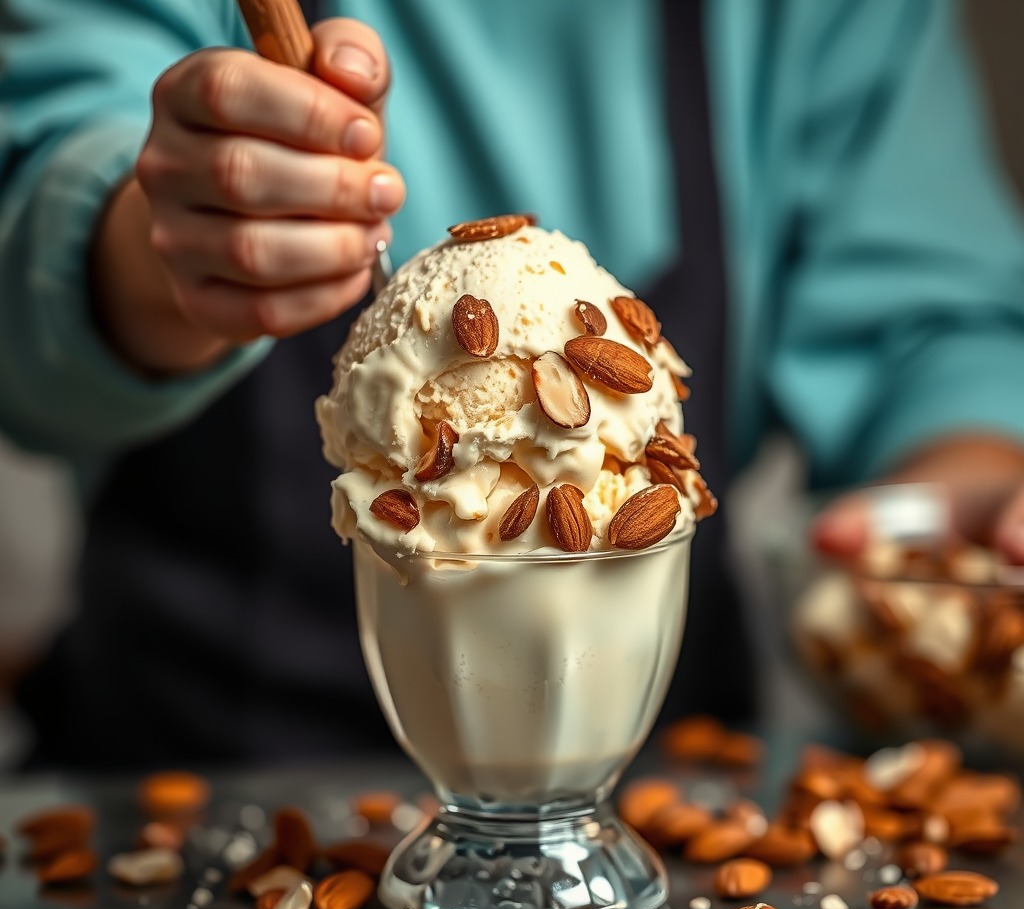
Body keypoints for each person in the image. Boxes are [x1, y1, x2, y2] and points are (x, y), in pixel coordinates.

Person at [2, 0, 1023, 768]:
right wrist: (171, 251)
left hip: (671, 790)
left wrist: (964, 483)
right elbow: (33, 267)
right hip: (197, 781)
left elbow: (929, 322)